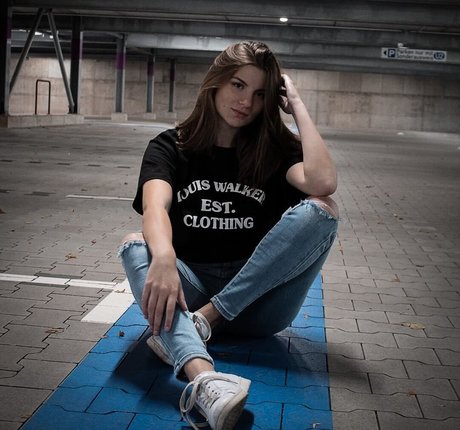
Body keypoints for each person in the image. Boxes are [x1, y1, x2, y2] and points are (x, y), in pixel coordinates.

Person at [119, 40, 338, 430]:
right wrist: (165, 257)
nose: (246, 102)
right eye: (238, 85)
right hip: (190, 289)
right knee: (136, 245)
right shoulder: (171, 146)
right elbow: (155, 207)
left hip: (258, 302)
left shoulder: (272, 151)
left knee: (322, 210)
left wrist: (297, 105)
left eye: (260, 94)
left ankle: (208, 319)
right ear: (216, 83)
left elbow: (323, 182)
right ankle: (205, 381)